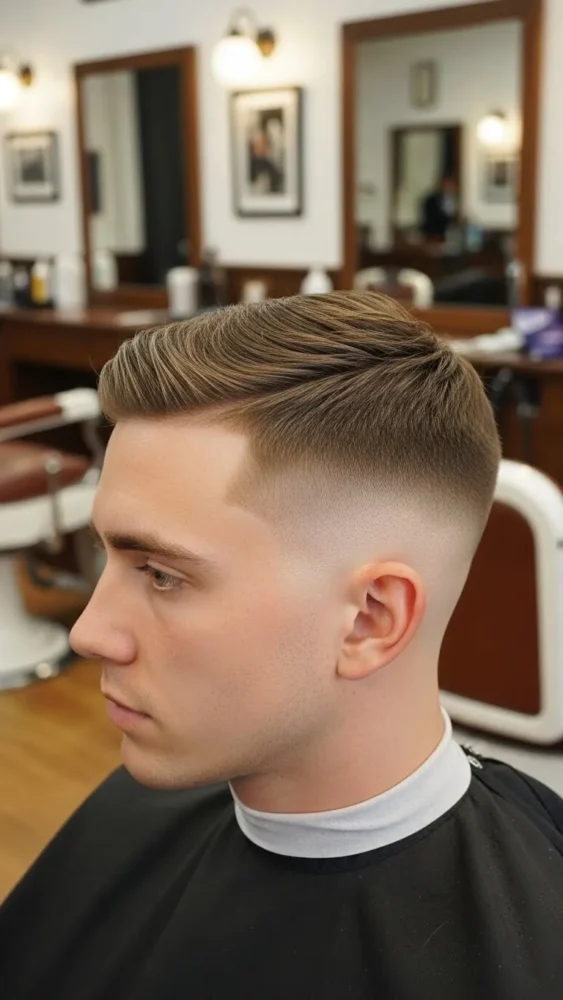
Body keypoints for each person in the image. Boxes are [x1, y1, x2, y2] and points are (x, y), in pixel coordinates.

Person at [1, 292, 563, 1000]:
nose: (88, 633)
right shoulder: (135, 807)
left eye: (162, 574)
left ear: (369, 619)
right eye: (107, 555)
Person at [420, 172, 458, 240]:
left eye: (451, 184)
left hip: (453, 237)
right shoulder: (431, 200)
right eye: (446, 183)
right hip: (434, 237)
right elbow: (429, 221)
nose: (449, 186)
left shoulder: (457, 200)